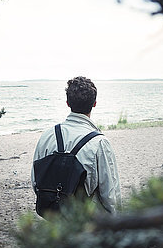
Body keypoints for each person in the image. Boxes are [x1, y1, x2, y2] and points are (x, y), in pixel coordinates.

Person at [31, 76, 121, 214]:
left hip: (53, 220)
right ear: (95, 103)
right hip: (86, 222)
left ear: (67, 103)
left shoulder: (47, 135)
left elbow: (36, 181)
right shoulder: (100, 143)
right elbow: (110, 195)